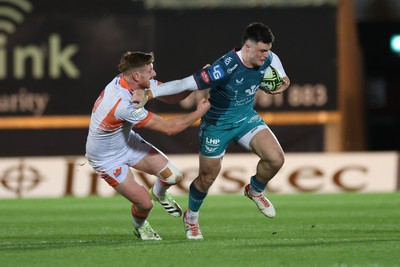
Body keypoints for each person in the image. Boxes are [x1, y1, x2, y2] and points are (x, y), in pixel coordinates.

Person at [131, 22, 290, 240]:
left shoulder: (268, 58)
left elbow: (281, 78)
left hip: (246, 118)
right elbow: (183, 83)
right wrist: (149, 94)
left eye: (268, 50)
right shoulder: (223, 68)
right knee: (207, 178)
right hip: (217, 125)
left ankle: (254, 190)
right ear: (247, 47)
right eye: (262, 51)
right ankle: (191, 217)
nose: (266, 55)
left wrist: (281, 84)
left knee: (276, 159)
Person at [85, 51, 210, 241]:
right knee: (145, 204)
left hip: (126, 142)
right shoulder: (124, 104)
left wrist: (198, 82)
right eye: (150, 70)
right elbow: (169, 128)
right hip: (106, 158)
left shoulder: (130, 80)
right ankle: (141, 226)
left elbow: (171, 97)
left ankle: (159, 193)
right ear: (137, 76)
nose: (154, 74)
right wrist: (199, 112)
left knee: (174, 176)